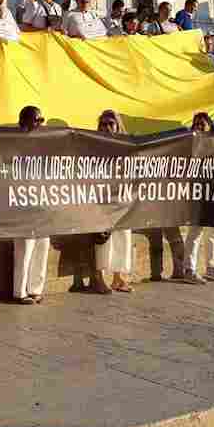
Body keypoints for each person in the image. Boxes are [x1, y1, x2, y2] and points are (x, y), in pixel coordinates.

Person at [183, 112, 214, 283]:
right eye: (195, 124)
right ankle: (189, 269)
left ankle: (211, 267)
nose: (198, 126)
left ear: (210, 126)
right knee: (195, 231)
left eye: (202, 124)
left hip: (213, 192)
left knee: (213, 232)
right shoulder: (188, 144)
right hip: (197, 193)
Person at [12, 106, 51, 304]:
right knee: (24, 249)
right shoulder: (12, 144)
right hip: (23, 203)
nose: (38, 124)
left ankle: (36, 288)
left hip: (43, 203)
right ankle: (20, 292)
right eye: (35, 120)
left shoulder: (47, 144)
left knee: (42, 247)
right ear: (23, 122)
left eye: (41, 120)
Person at [93, 110, 132, 294]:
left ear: (118, 126)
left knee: (123, 237)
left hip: (122, 199)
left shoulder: (128, 146)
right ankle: (99, 277)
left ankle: (119, 278)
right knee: (102, 239)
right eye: (103, 123)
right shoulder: (93, 144)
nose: (106, 127)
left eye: (110, 123)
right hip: (102, 199)